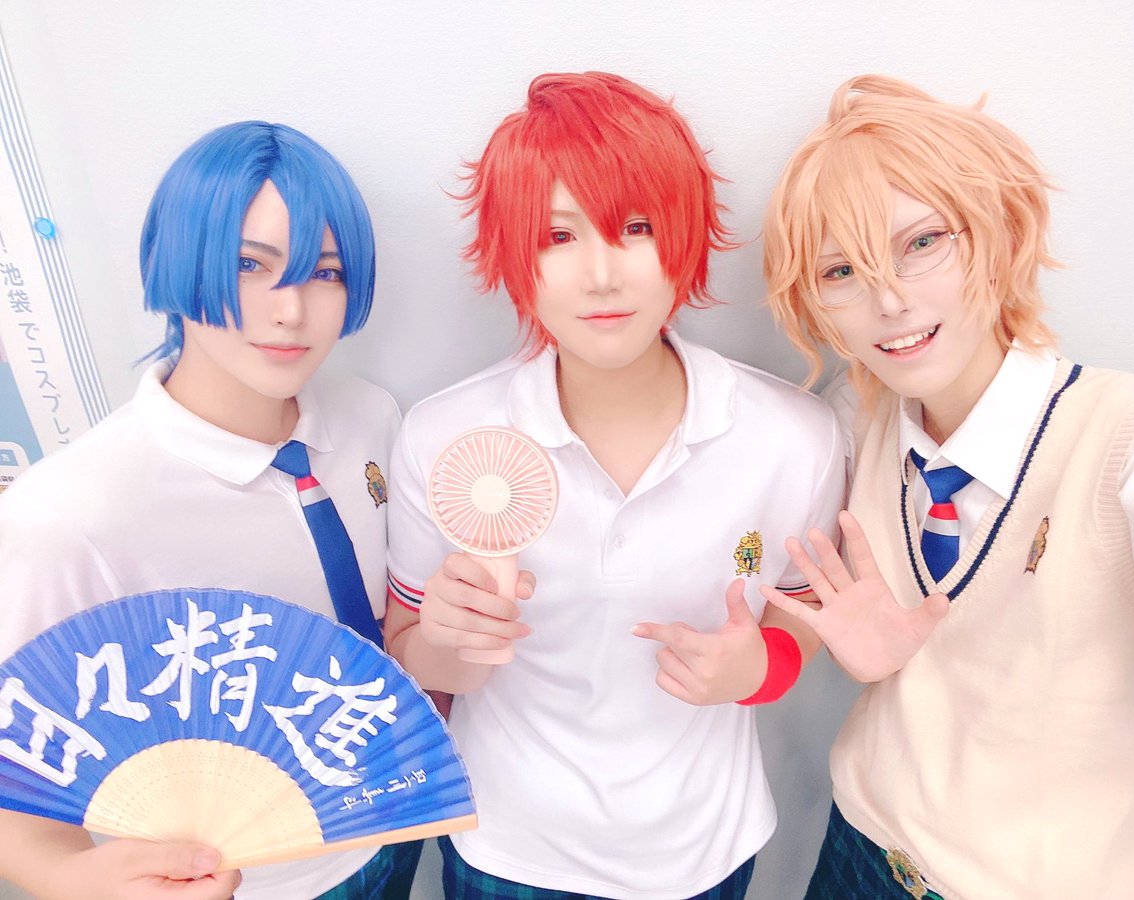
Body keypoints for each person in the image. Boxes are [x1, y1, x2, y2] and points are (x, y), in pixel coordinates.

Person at [382, 72, 844, 899]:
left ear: (684, 237)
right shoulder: (442, 434)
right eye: (558, 236)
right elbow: (408, 652)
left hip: (703, 849)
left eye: (636, 228)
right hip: (508, 850)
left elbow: (804, 612)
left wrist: (759, 671)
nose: (601, 275)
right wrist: (448, 643)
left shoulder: (794, 436)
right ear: (515, 256)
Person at [761, 74, 1134, 899]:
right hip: (858, 855)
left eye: (922, 243)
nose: (889, 299)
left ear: (998, 234)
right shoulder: (856, 421)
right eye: (841, 271)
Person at [0, 121, 421, 899]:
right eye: (246, 265)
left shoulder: (371, 417)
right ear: (177, 264)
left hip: (393, 828)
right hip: (244, 881)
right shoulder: (71, 514)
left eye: (324, 273)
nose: (290, 310)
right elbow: (17, 758)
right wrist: (70, 879)